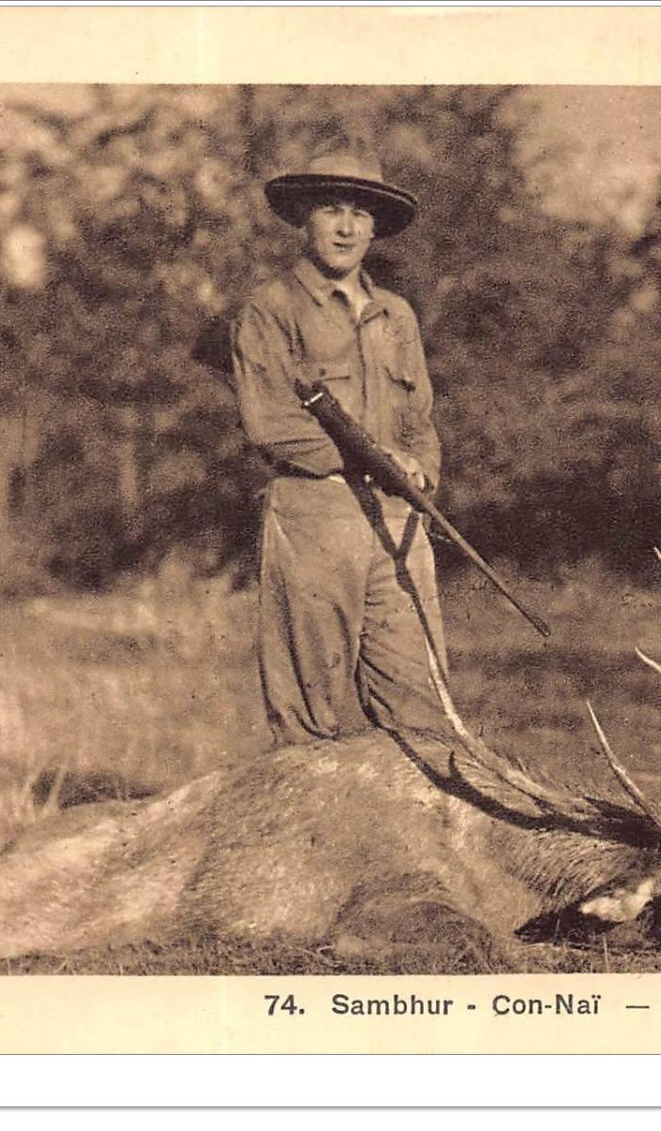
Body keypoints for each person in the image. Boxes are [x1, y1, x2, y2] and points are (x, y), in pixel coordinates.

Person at [230, 135, 446, 744]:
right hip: (316, 516)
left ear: (376, 227)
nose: (346, 228)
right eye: (331, 209)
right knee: (307, 720)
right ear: (304, 217)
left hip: (402, 520)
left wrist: (421, 468)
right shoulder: (270, 309)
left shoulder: (397, 315)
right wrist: (376, 462)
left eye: (360, 212)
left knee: (425, 712)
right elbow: (270, 425)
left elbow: (420, 420)